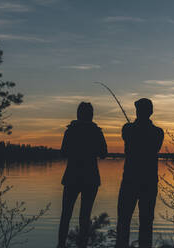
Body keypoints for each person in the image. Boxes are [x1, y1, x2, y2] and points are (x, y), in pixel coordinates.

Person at [115, 98, 164, 248]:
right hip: (149, 182)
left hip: (130, 180)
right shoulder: (157, 132)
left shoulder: (128, 129)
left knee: (124, 221)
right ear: (151, 112)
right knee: (146, 222)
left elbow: (128, 138)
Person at [58, 102, 107, 248]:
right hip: (91, 179)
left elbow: (63, 153)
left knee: (65, 215)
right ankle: (82, 245)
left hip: (71, 177)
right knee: (85, 217)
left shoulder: (71, 131)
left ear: (78, 114)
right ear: (91, 115)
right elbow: (104, 154)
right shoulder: (97, 132)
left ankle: (60, 245)